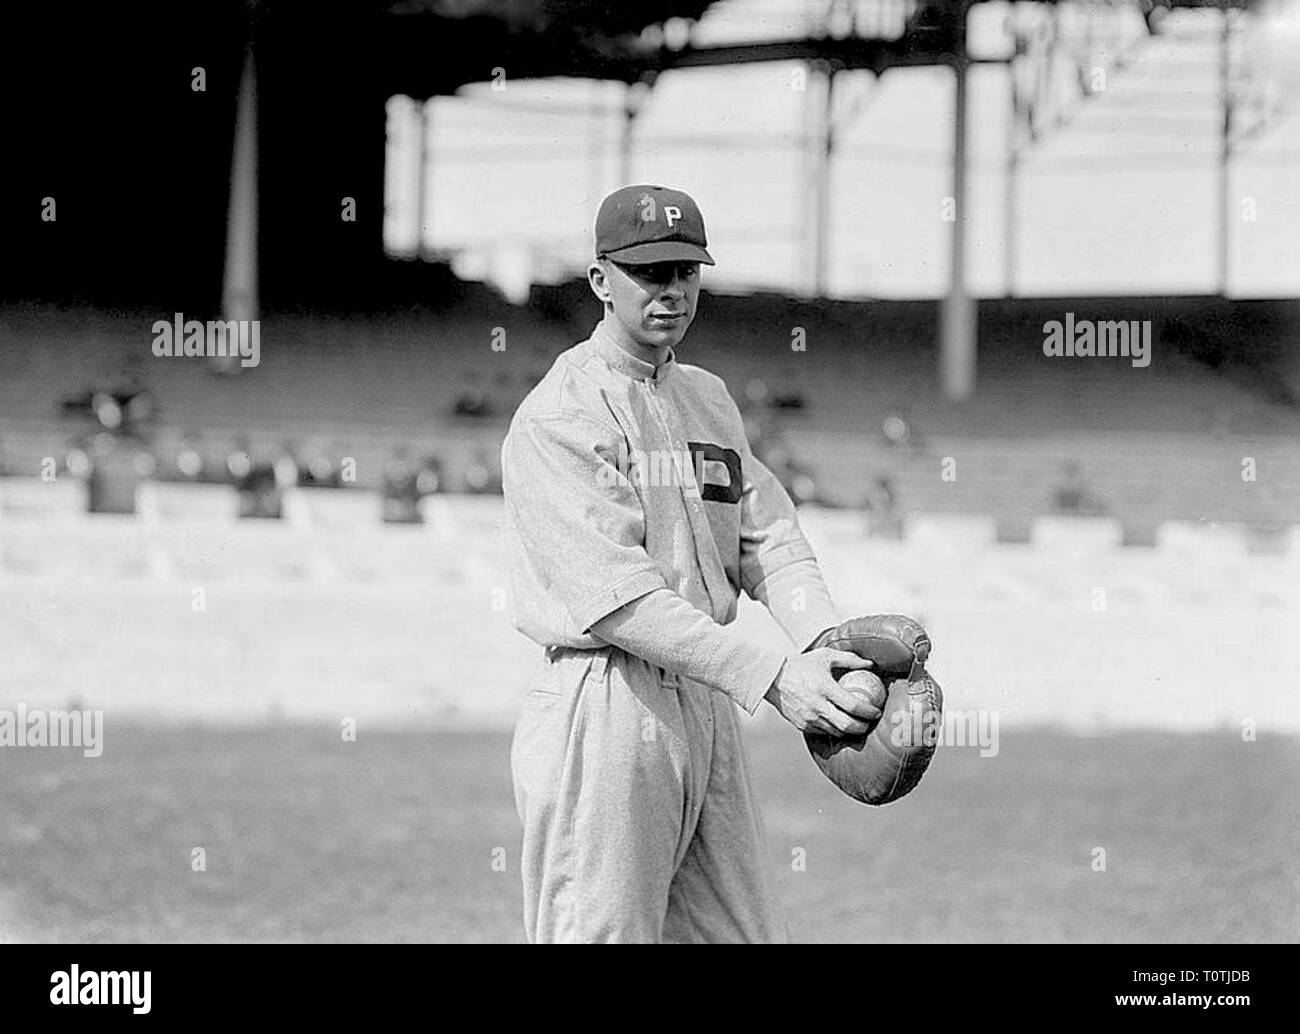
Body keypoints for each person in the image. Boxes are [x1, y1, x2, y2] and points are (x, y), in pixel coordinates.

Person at [500, 184, 876, 943]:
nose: (671, 290)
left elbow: (769, 537)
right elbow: (622, 604)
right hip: (605, 701)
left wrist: (827, 647)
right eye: (649, 272)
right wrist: (775, 679)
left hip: (705, 700)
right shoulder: (561, 415)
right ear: (602, 281)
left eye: (685, 270)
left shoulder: (707, 399)